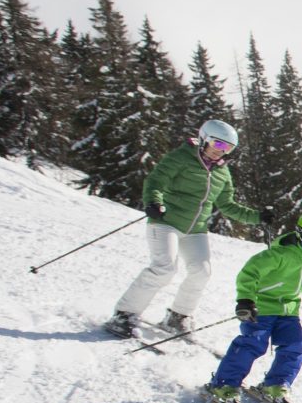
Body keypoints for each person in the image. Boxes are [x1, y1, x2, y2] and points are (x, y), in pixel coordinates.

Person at [105, 119, 269, 338]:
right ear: (203, 139)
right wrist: (153, 202)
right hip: (166, 222)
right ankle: (124, 314)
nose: (220, 152)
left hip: (196, 229)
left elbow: (227, 205)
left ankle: (178, 316)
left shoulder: (222, 173)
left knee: (202, 271)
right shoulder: (181, 158)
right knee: (164, 268)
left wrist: (259, 217)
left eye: (227, 148)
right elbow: (156, 181)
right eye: (217, 145)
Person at [204, 212, 302, 403]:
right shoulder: (280, 255)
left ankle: (276, 385)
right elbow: (250, 272)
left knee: (295, 344)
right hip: (261, 308)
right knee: (253, 343)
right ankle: (223, 385)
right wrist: (246, 300)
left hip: (288, 312)